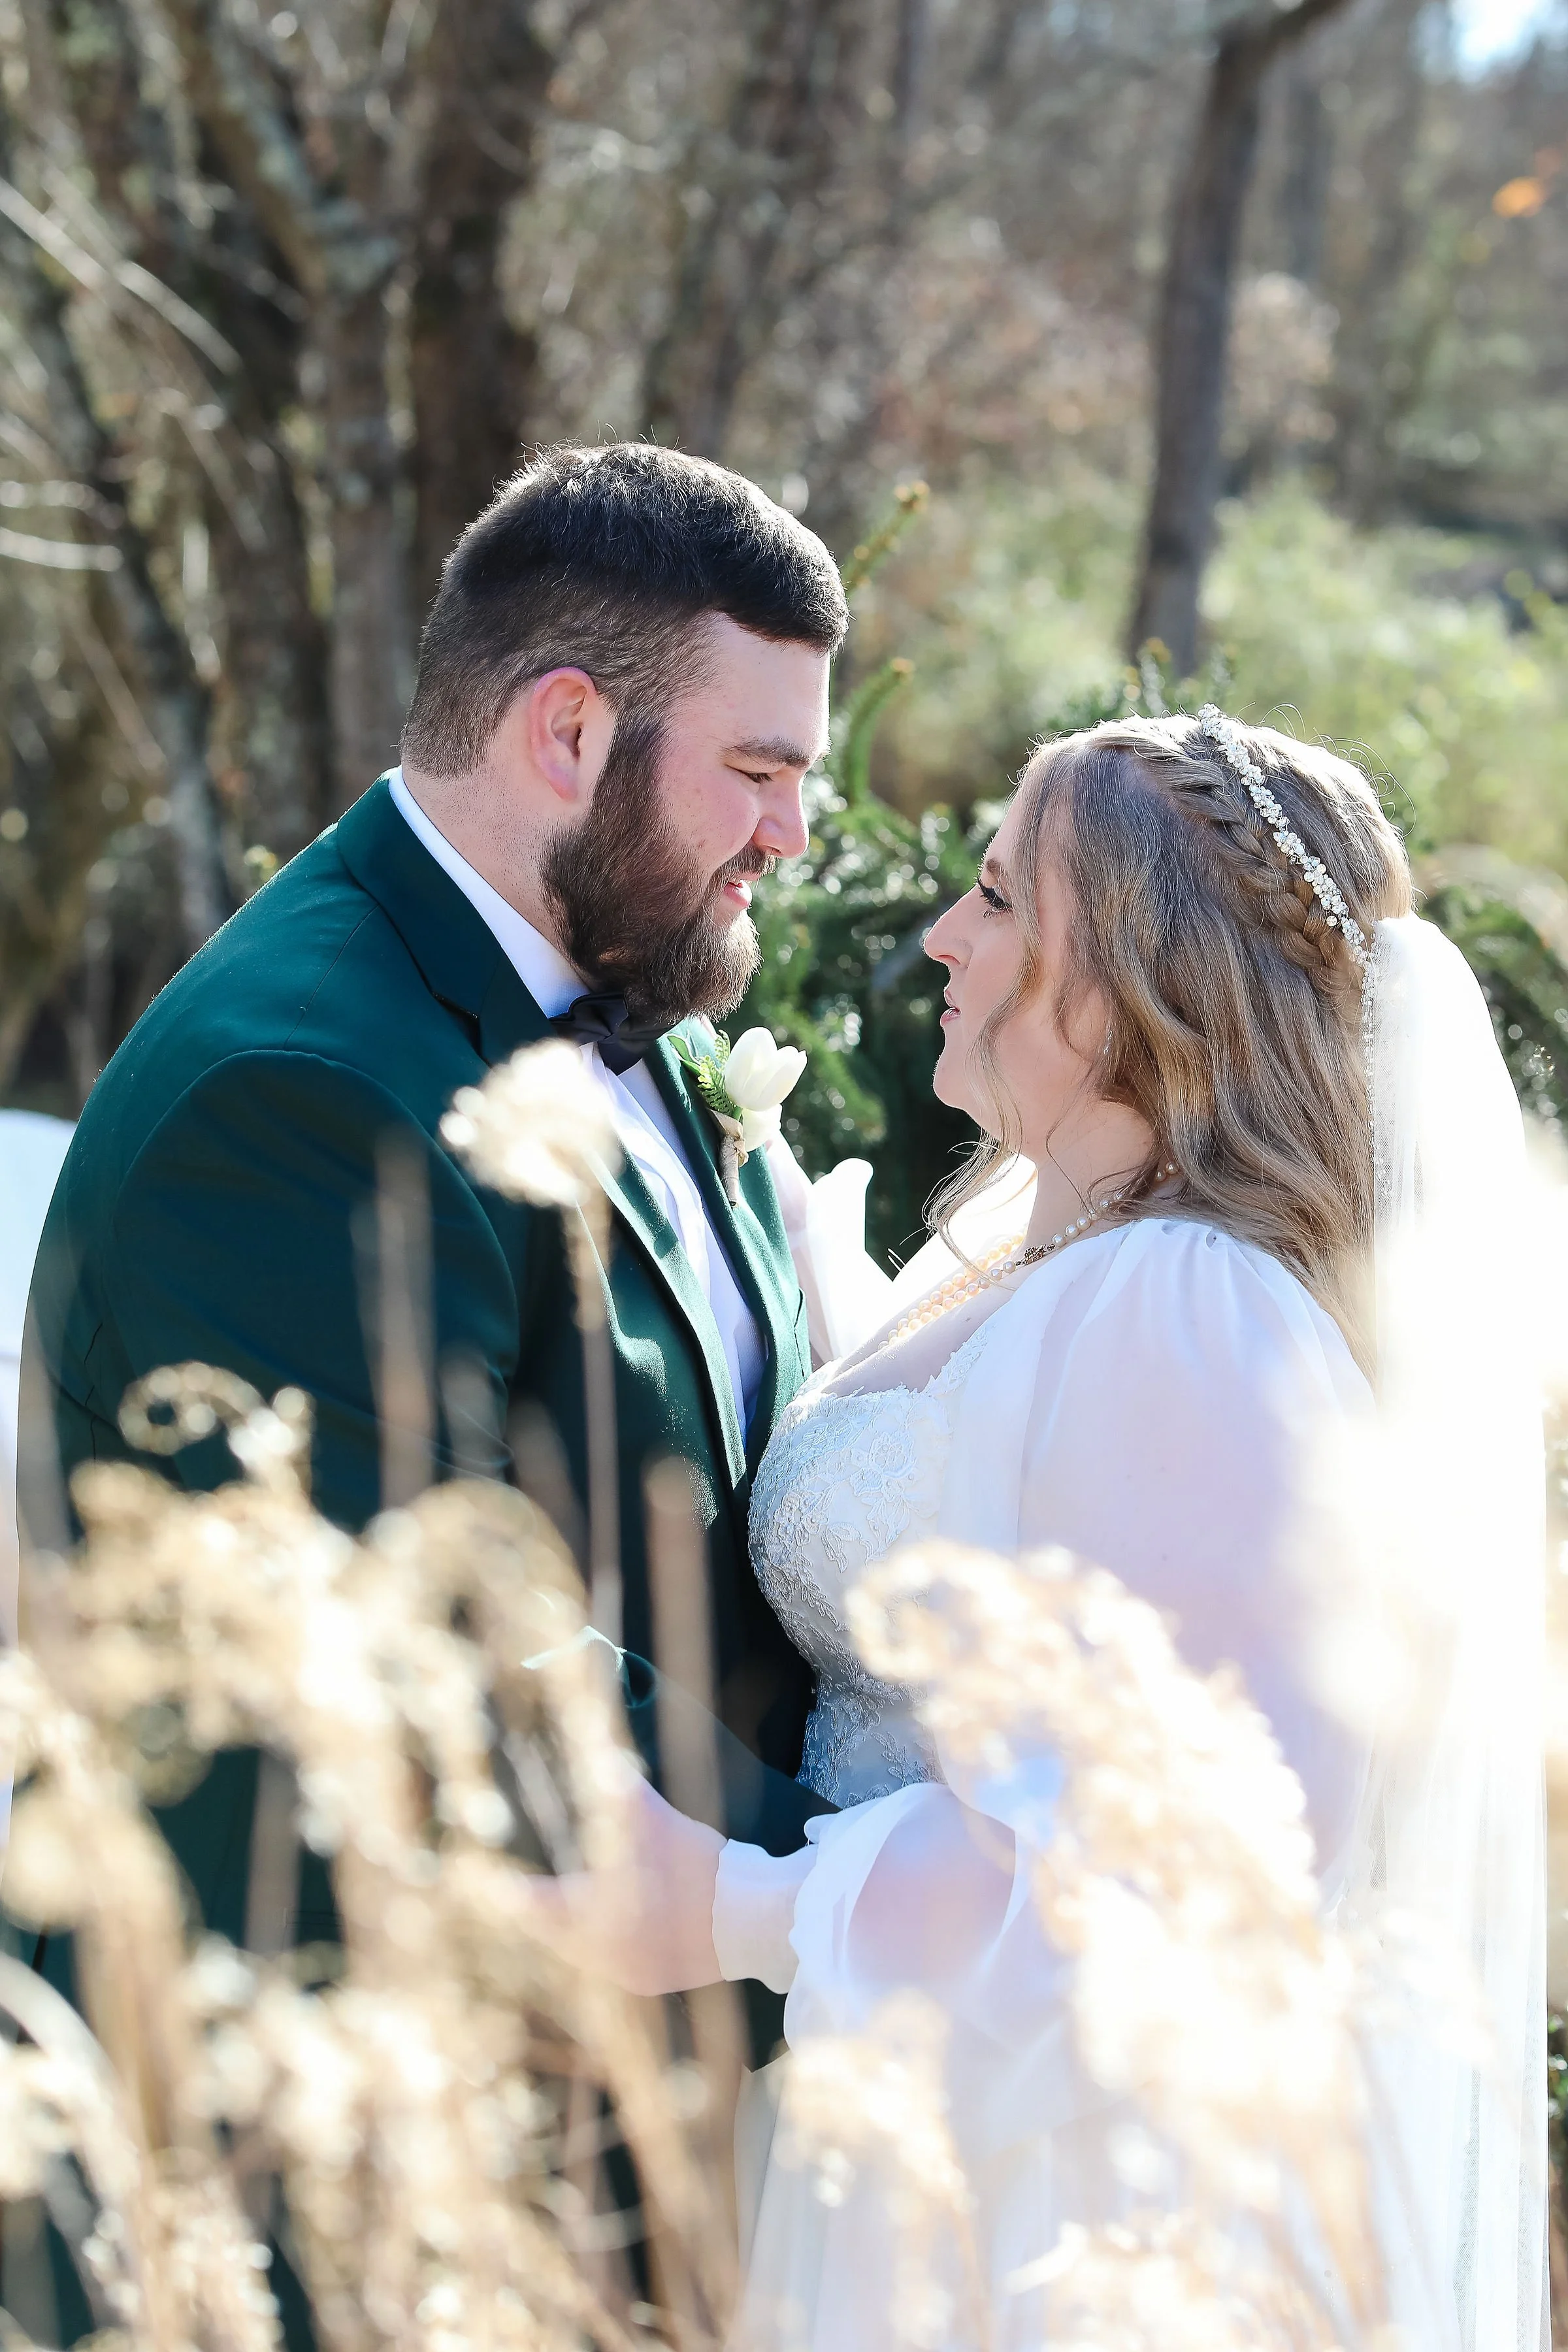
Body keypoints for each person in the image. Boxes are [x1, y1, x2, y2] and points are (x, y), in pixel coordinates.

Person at [555, 711, 1546, 2351]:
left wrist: (736, 1908)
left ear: (1140, 976)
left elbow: (1178, 1845)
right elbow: (1005, 1498)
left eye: (1004, 898)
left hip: (1062, 2203)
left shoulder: (1195, 1298)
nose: (946, 933)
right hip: (933, 2109)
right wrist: (798, 1243)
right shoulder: (1065, 1251)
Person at [18, 442, 848, 2014]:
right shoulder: (299, 1097)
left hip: (614, 2059)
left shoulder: (612, 961)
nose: (791, 834)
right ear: (570, 729)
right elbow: (453, 1645)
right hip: (321, 2099)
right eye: (757, 772)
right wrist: (855, 1911)